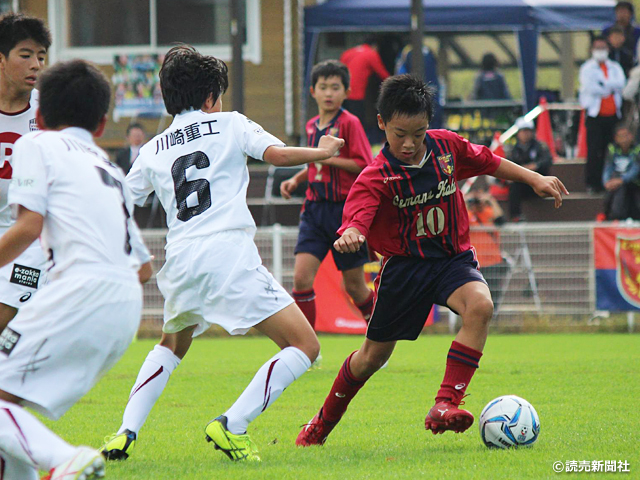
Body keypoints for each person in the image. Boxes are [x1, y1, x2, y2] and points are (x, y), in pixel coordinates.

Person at [101, 45, 344, 463]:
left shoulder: (153, 149)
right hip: (228, 256)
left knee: (171, 344)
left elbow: (119, 200)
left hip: (179, 262)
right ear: (212, 97)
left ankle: (124, 431)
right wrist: (323, 152)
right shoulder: (229, 124)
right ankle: (233, 424)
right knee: (304, 346)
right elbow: (279, 155)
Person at [295, 74, 567, 446]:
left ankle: (445, 402)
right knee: (370, 359)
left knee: (480, 306)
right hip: (405, 269)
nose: (409, 143)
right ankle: (320, 425)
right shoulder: (376, 176)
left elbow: (488, 161)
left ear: (429, 124)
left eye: (418, 133)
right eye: (399, 133)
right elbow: (357, 216)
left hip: (452, 259)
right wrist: (354, 233)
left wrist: (534, 178)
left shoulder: (446, 147)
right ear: (381, 123)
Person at [0, 59, 152, 480]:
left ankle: (66, 458)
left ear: (40, 116)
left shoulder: (37, 144)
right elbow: (143, 267)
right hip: (126, 308)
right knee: (6, 403)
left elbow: (28, 226)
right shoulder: (110, 168)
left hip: (82, 291)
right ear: (102, 124)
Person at [280, 60, 374, 344]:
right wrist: (297, 179)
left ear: (346, 92)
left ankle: (378, 340)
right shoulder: (311, 126)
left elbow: (365, 165)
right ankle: (305, 348)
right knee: (301, 280)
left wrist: (327, 157)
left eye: (335, 87)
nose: (329, 93)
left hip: (345, 213)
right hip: (314, 210)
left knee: (355, 287)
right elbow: (316, 163)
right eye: (323, 87)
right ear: (312, 91)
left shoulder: (350, 123)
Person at [0, 13, 50, 335]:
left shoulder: (50, 113)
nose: (36, 65)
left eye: (42, 56)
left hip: (30, 241)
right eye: (26, 54)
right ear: (1, 60)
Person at [579, 36, 625, 193]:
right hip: (595, 116)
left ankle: (609, 180)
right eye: (597, 48)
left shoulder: (614, 67)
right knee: (594, 151)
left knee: (611, 150)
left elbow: (621, 84)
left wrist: (605, 85)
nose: (600, 51)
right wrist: (609, 88)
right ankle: (592, 183)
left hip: (613, 116)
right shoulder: (587, 68)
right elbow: (592, 88)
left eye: (603, 48)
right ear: (592, 50)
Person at [465, 190, 508, 308]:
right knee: (475, 296)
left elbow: (501, 220)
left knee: (493, 295)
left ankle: (494, 321)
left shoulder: (489, 213)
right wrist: (464, 201)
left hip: (493, 262)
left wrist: (491, 200)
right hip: (476, 263)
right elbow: (458, 218)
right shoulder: (468, 216)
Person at [339, 37, 390, 131]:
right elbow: (383, 74)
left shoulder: (348, 52)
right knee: (357, 122)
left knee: (344, 121)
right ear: (375, 46)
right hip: (356, 94)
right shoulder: (371, 53)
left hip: (341, 93)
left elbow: (338, 70)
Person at [507, 117, 552, 221]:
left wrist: (535, 166)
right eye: (523, 131)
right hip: (523, 183)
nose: (525, 134)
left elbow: (547, 160)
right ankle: (515, 216)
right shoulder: (514, 150)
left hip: (539, 182)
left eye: (528, 131)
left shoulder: (540, 146)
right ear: (518, 133)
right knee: (514, 186)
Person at [395, 42, 443, 129]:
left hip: (416, 94)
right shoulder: (429, 51)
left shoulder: (407, 52)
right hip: (433, 90)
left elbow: (400, 74)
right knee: (434, 120)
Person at [602, 124, 640, 220]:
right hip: (616, 181)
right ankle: (613, 216)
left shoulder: (637, 149)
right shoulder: (612, 148)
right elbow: (608, 167)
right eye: (621, 136)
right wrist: (606, 182)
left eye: (626, 136)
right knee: (615, 192)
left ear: (631, 136)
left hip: (634, 182)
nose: (624, 139)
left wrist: (621, 180)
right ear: (616, 138)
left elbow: (635, 169)